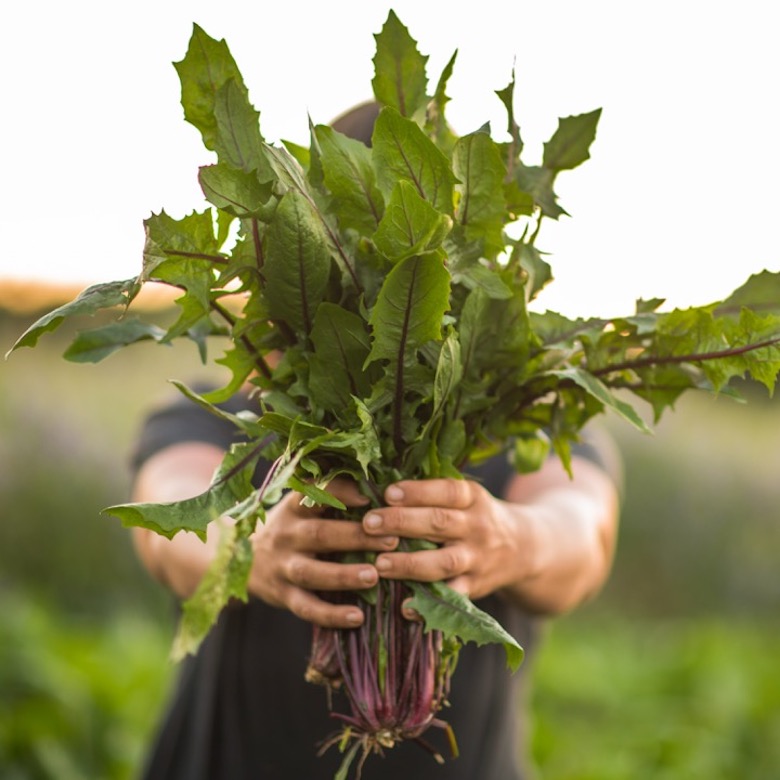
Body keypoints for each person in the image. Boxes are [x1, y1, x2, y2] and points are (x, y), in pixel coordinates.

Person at [128, 105, 622, 780]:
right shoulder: (230, 411)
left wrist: (511, 539)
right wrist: (248, 550)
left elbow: (584, 531)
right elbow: (164, 517)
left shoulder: (516, 412)